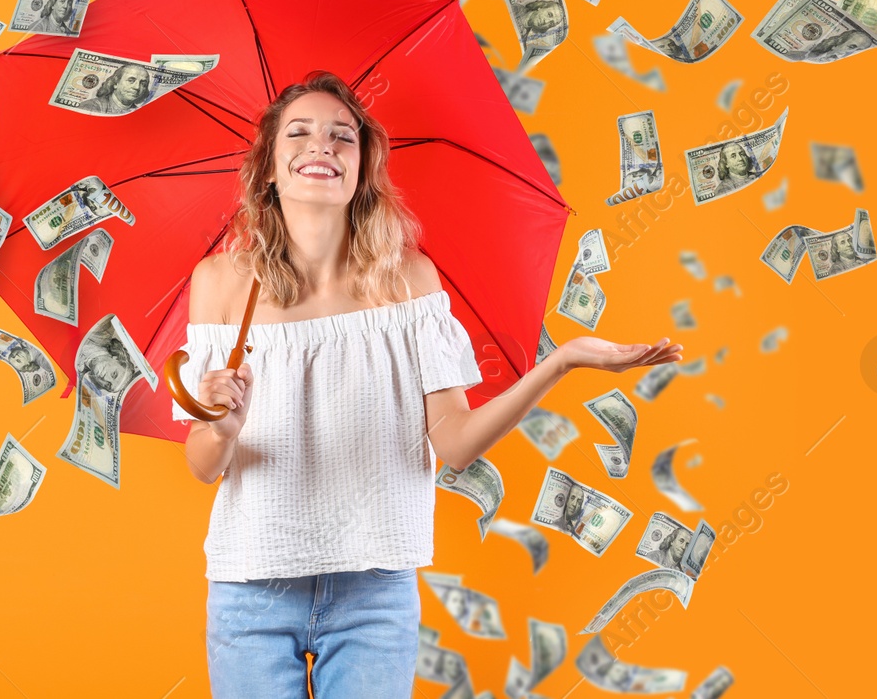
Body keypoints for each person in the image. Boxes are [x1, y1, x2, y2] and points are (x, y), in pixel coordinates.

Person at [175, 70, 680, 698]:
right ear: (270, 171)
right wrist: (221, 426)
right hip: (251, 583)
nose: (321, 146)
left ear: (362, 169)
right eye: (298, 133)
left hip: (375, 589)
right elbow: (203, 465)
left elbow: (457, 446)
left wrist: (562, 362)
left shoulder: (411, 282)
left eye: (342, 137)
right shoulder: (223, 283)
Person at [84, 63, 153, 115]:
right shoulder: (91, 106)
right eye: (131, 80)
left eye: (143, 84)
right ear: (116, 83)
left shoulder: (140, 114)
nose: (137, 87)